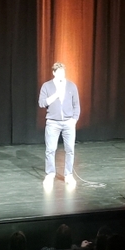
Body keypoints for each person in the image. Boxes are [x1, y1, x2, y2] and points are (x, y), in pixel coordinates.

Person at [38, 61, 80, 189]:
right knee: (50, 149)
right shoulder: (47, 86)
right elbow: (41, 103)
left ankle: (68, 175)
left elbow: (76, 105)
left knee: (70, 149)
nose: (62, 75)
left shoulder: (71, 86)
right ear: (54, 73)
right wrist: (56, 94)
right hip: (53, 123)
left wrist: (74, 120)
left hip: (68, 122)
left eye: (63, 72)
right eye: (59, 72)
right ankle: (50, 174)